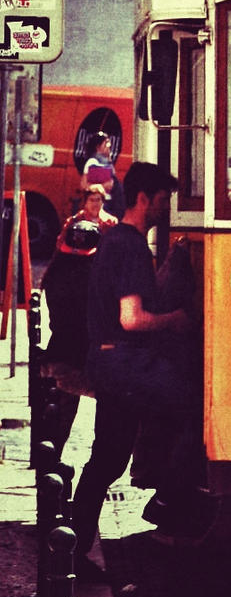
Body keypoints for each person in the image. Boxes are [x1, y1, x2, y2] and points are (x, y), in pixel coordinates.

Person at [71, 162, 212, 582]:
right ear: (145, 199)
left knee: (106, 460)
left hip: (113, 364)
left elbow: (137, 297)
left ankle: (75, 549)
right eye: (163, 200)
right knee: (194, 406)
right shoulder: (129, 245)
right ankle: (171, 503)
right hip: (126, 366)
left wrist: (171, 261)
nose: (165, 208)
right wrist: (178, 320)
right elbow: (132, 318)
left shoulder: (118, 241)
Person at [39, 187, 118, 460]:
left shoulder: (58, 274)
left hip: (60, 355)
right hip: (91, 359)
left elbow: (54, 315)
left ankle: (50, 463)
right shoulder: (94, 277)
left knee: (59, 420)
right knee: (106, 421)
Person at [80, 130, 124, 220]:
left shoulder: (108, 163)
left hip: (111, 203)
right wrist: (102, 187)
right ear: (98, 147)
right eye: (106, 143)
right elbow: (84, 185)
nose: (109, 147)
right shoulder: (92, 162)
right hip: (101, 204)